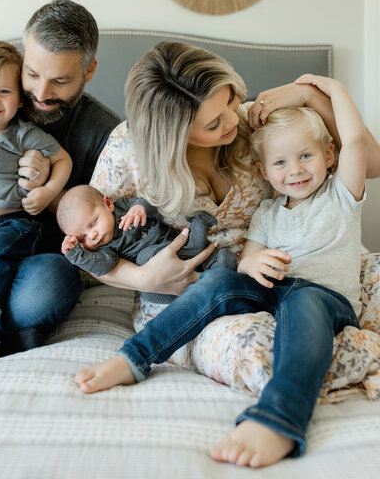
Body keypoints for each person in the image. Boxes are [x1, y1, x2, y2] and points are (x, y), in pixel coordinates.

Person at [72, 42, 380, 466]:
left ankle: (278, 419)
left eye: (232, 97)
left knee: (305, 315)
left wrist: (310, 95)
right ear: (175, 134)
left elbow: (367, 159)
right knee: (244, 328)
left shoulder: (261, 122)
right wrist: (144, 280)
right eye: (214, 122)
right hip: (191, 288)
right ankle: (134, 357)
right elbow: (88, 241)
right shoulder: (129, 150)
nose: (234, 118)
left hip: (307, 280)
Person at [0, 0, 121, 355]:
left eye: (60, 80)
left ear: (89, 71)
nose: (41, 93)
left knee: (54, 281)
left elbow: (107, 233)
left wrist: (48, 190)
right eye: (32, 74)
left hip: (33, 265)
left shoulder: (108, 136)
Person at [0, 41, 72, 361]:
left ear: (21, 100)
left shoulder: (22, 134)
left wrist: (46, 191)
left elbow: (63, 160)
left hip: (10, 223)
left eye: (3, 92)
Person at [57, 185, 236, 291]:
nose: (93, 236)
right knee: (148, 288)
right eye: (82, 238)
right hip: (156, 268)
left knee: (197, 250)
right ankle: (206, 283)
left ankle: (202, 228)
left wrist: (141, 207)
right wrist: (77, 254)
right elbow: (104, 266)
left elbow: (151, 202)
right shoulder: (103, 249)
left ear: (108, 204)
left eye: (94, 223)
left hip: (173, 243)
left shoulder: (124, 207)